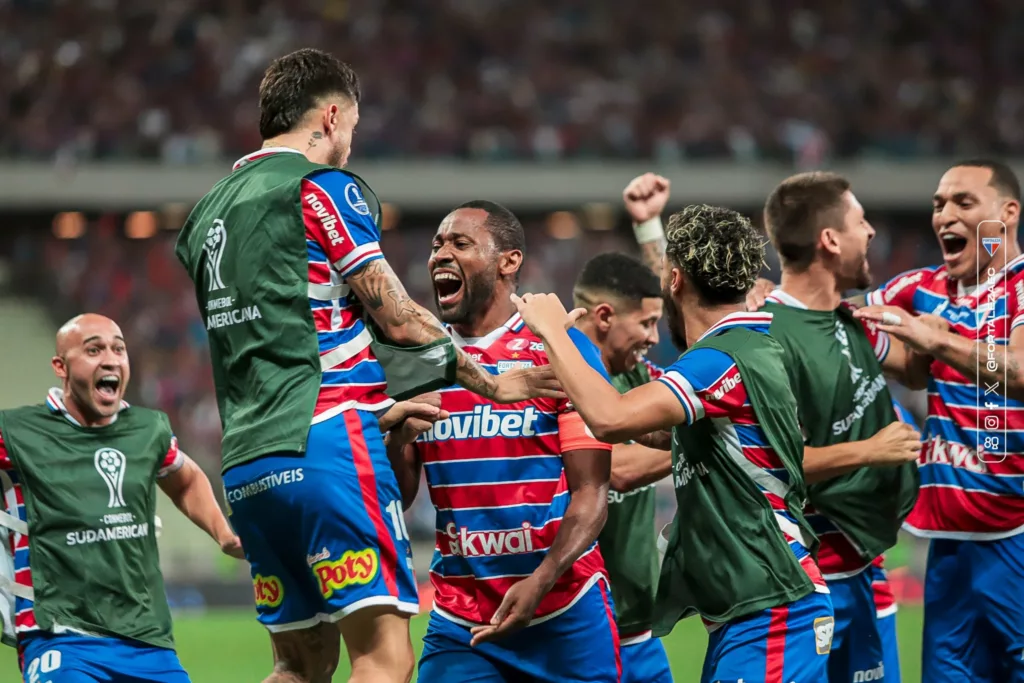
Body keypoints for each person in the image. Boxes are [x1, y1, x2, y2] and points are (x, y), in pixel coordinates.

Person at [175, 50, 559, 683]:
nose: (350, 142)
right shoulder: (322, 188)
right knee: (385, 658)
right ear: (331, 116)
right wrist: (493, 382)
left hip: (246, 462)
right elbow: (399, 316)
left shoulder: (205, 214)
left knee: (299, 664)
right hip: (326, 443)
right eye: (351, 125)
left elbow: (283, 329)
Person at [513, 204, 835, 682]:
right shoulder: (746, 349)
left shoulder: (720, 359)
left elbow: (610, 419)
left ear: (675, 280)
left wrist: (556, 334)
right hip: (754, 611)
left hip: (771, 609)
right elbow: (660, 430)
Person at [384, 200, 620, 683]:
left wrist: (542, 579)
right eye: (437, 244)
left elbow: (591, 493)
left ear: (509, 262)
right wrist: (397, 440)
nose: (440, 254)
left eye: (460, 243)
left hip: (564, 608)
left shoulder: (559, 347)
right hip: (461, 617)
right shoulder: (419, 361)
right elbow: (400, 496)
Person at [0, 314, 242, 683]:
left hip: (149, 641)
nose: (110, 359)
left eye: (119, 349)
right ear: (61, 367)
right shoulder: (17, 432)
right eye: (94, 350)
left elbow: (186, 478)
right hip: (60, 638)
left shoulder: (147, 430)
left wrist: (223, 534)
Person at [855, 159, 1024, 683]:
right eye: (938, 204)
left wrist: (936, 342)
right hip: (950, 541)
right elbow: (833, 319)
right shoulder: (922, 288)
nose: (944, 215)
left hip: (1017, 533)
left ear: (1007, 214)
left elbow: (1018, 370)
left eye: (963, 202)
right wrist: (774, 302)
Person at [759, 171, 929, 682]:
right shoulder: (767, 338)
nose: (872, 232)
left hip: (861, 563)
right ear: (830, 240)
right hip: (809, 577)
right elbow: (773, 465)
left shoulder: (850, 320)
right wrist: (871, 450)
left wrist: (929, 330)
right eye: (861, 221)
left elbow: (914, 369)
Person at [571, 253, 673, 683]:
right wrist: (708, 448)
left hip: (639, 626)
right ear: (604, 316)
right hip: (580, 628)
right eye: (646, 323)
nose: (654, 337)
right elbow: (618, 469)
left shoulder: (638, 375)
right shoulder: (562, 373)